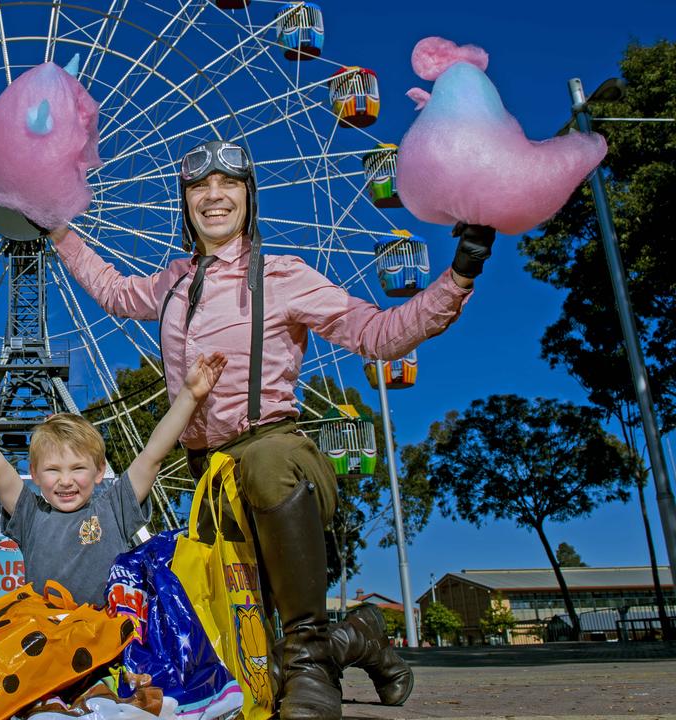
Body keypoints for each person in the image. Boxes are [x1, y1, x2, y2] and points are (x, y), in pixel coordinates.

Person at [48, 139, 497, 720]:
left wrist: (461, 272)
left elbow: (379, 335)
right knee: (232, 654)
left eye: (227, 185)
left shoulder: (284, 276)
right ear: (185, 203)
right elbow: (110, 290)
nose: (213, 197)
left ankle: (311, 664)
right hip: (205, 471)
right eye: (198, 188)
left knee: (264, 468)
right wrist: (59, 230)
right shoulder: (172, 285)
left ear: (248, 197)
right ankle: (356, 636)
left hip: (278, 454)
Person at [0, 354, 227, 604]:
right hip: (48, 640)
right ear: (34, 474)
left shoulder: (113, 509)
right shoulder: (30, 516)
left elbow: (152, 456)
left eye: (77, 469)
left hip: (107, 638)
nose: (66, 481)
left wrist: (188, 396)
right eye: (53, 470)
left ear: (99, 472)